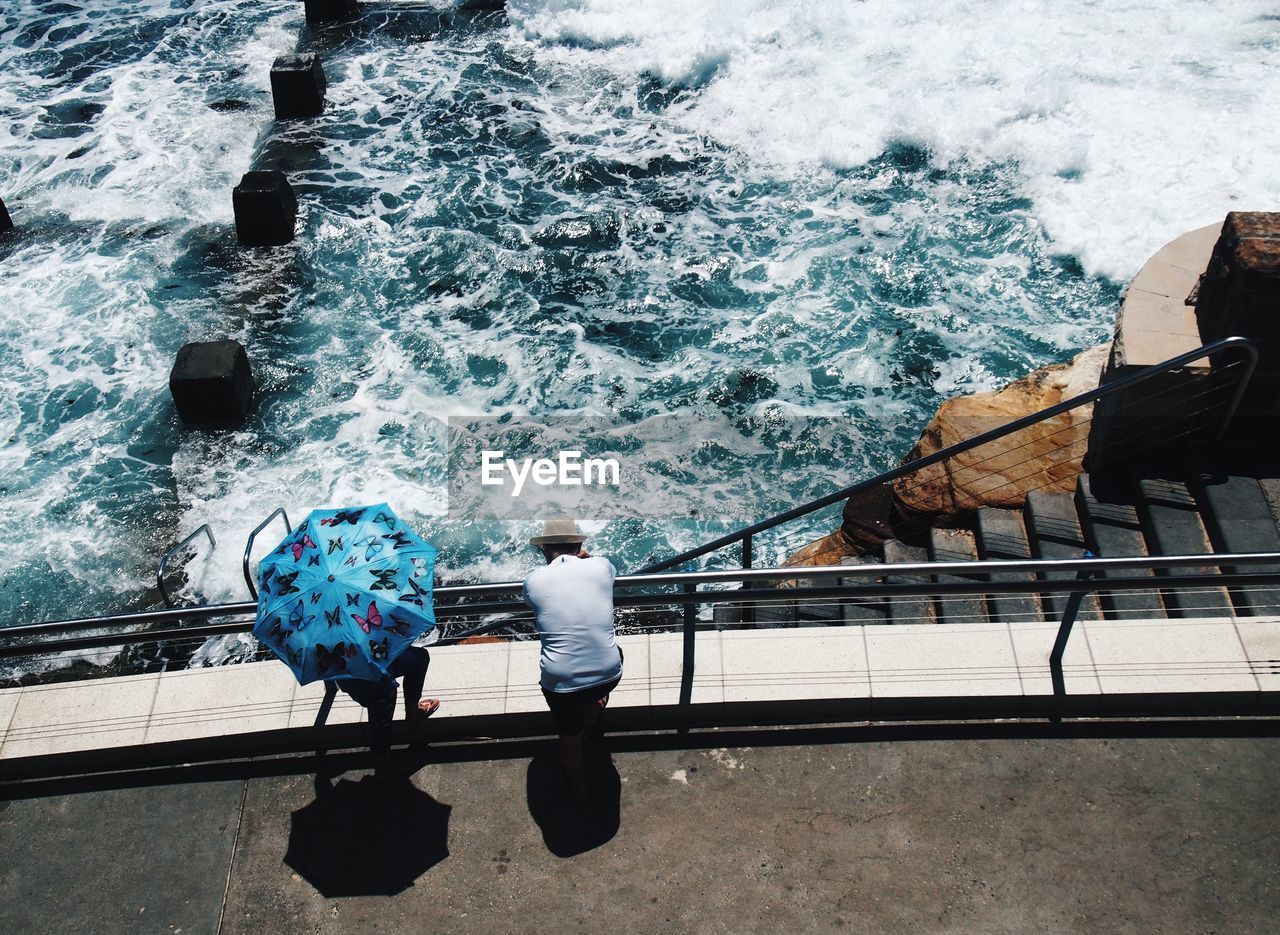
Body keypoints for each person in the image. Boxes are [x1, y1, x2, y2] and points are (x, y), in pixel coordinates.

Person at [523, 517, 622, 803]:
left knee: (569, 738)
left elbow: (532, 602)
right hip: (609, 675)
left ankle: (578, 788)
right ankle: (594, 708)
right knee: (616, 653)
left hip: (561, 684)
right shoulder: (601, 566)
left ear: (544, 550)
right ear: (579, 545)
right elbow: (606, 574)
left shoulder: (534, 580)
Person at [337, 645, 440, 780]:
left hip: (348, 680)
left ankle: (410, 718)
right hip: (374, 677)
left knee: (420, 657)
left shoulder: (325, 631)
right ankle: (383, 766)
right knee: (381, 711)